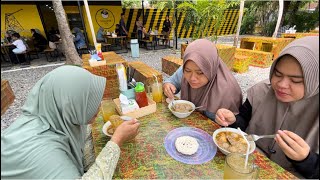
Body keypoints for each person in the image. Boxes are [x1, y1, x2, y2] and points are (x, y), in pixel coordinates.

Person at [1, 65, 140, 179]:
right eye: (88, 101)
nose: (98, 106)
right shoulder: (40, 150)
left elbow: (83, 138)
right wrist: (116, 141)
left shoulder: (54, 116)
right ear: (69, 103)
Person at [215, 36, 319, 179]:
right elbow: (243, 123)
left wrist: (306, 160)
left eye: (295, 80)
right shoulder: (260, 91)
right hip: (247, 165)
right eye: (277, 74)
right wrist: (233, 120)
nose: (282, 84)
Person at [163, 39, 242, 121]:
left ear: (211, 68)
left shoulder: (227, 90)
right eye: (187, 71)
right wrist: (168, 86)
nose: (192, 78)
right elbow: (170, 82)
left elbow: (236, 125)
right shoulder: (188, 67)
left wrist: (228, 120)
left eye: (200, 72)